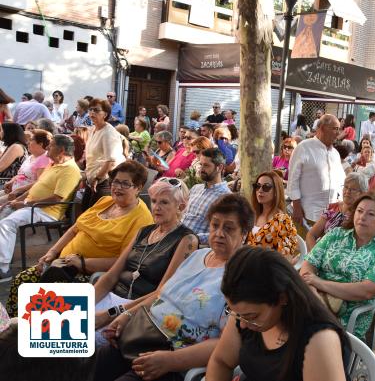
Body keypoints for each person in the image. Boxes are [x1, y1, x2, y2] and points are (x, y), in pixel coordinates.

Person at [95, 194, 254, 381]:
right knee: (83, 368)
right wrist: (126, 316)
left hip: (171, 361)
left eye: (228, 228)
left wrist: (171, 361)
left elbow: (226, 344)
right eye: (214, 225)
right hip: (139, 335)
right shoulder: (198, 255)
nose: (219, 233)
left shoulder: (241, 278)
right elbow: (161, 293)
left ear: (244, 234)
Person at [4, 159, 154, 314]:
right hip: (61, 264)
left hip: (87, 275)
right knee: (22, 282)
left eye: (125, 184)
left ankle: (39, 333)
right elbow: (74, 229)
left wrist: (82, 262)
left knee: (42, 298)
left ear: (138, 187)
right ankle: (15, 331)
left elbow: (124, 262)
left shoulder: (141, 218)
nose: (117, 188)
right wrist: (52, 253)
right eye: (115, 182)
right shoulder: (105, 201)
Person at [207, 247, 351, 381]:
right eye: (236, 314)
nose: (242, 324)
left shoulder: (319, 340)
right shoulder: (245, 314)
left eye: (252, 317)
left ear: (282, 298)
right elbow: (221, 362)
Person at [93, 178, 195, 330]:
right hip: (111, 299)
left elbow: (162, 293)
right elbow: (111, 275)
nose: (156, 207)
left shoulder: (186, 239)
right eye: (154, 201)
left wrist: (111, 314)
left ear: (181, 206)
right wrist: (85, 303)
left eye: (164, 202)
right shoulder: (145, 231)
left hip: (138, 310)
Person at [300, 192, 375, 340]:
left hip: (348, 319)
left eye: (371, 214)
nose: (362, 217)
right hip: (314, 302)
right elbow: (309, 265)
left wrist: (319, 283)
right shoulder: (336, 234)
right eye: (359, 211)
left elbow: (367, 291)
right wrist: (315, 297)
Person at [0, 134, 81, 283]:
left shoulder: (69, 169)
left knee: (7, 224)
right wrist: (16, 199)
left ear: (61, 150)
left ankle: (3, 269)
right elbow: (37, 186)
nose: (48, 148)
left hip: (45, 212)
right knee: (2, 213)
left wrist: (24, 204)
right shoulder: (54, 163)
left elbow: (57, 199)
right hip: (33, 206)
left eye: (51, 145)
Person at [287, 114, 345, 233]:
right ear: (322, 128)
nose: (338, 133)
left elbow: (341, 181)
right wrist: (297, 208)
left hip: (331, 218)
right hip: (308, 215)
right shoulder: (304, 148)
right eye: (335, 128)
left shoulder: (335, 153)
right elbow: (293, 180)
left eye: (339, 129)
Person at [83, 98, 127, 210]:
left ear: (105, 114)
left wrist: (97, 178)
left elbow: (110, 162)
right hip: (92, 179)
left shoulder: (108, 133)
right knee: (85, 213)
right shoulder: (93, 129)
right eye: (90, 109)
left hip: (104, 181)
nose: (92, 112)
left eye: (96, 110)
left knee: (95, 217)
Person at [306, 172, 369, 251]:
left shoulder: (360, 217)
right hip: (317, 252)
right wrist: (315, 256)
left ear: (362, 194)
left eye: (353, 189)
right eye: (346, 187)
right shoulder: (333, 208)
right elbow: (311, 235)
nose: (347, 191)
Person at [182, 148, 231, 244]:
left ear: (220, 168)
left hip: (195, 246)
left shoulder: (226, 198)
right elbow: (182, 215)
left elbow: (222, 232)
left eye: (206, 165)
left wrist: (192, 239)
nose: (201, 169)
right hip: (176, 239)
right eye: (201, 164)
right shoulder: (196, 188)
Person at [245, 171, 298, 260]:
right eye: (257, 186)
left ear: (276, 192)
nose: (260, 190)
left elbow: (286, 257)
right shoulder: (253, 214)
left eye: (266, 187)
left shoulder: (282, 220)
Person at [0, 130, 52, 209]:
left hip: (22, 195)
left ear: (40, 144)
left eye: (31, 140)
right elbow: (21, 175)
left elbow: (39, 182)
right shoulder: (32, 156)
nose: (27, 142)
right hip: (13, 190)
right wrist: (11, 181)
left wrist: (19, 190)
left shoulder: (45, 159)